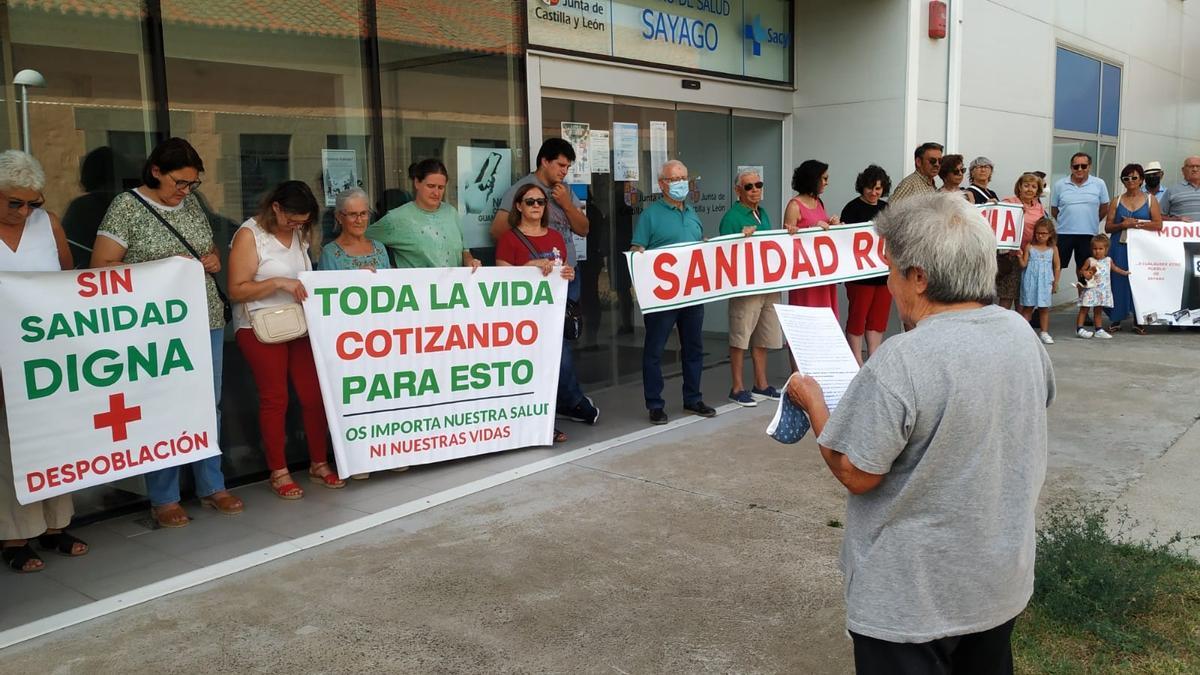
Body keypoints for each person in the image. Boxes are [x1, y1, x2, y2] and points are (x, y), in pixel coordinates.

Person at [784, 192, 1055, 674]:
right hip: (996, 581)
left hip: (912, 598)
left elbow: (856, 471)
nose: (887, 285)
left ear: (920, 277)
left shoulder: (904, 358)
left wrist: (815, 405)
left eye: (890, 271)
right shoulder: (1019, 333)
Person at [92, 137, 244, 528]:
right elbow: (101, 267)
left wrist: (210, 259)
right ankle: (164, 495)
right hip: (156, 327)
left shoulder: (191, 203)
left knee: (208, 402)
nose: (185, 191)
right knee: (163, 406)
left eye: (192, 184)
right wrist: (161, 269)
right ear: (155, 171)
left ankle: (212, 485)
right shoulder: (127, 207)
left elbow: (204, 245)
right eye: (179, 182)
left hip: (204, 317)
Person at [0, 150, 89, 572]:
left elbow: (67, 281)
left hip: (48, 354)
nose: (24, 211)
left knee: (55, 437)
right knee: (10, 445)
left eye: (32, 202)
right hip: (3, 355)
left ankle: (56, 525)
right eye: (13, 202)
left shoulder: (47, 224)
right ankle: (14, 535)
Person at [228, 180, 345, 499]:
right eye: (291, 219)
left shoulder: (300, 233)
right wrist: (280, 283)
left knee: (312, 395)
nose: (296, 226)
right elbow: (236, 289)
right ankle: (278, 471)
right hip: (260, 326)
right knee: (275, 398)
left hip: (298, 324)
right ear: (275, 207)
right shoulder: (250, 235)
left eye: (303, 221)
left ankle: (318, 463)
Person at [630, 160, 716, 425]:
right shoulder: (650, 215)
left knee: (693, 347)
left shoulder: (692, 212)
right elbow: (637, 251)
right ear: (662, 184)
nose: (680, 183)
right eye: (674, 179)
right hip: (662, 296)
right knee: (655, 350)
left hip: (691, 293)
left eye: (683, 178)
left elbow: (698, 245)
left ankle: (693, 398)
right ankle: (655, 404)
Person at [494, 183, 581, 442]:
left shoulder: (555, 236)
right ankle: (522, 426)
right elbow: (500, 277)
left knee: (550, 371)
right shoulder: (509, 239)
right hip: (520, 321)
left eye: (541, 202)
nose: (536, 206)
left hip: (549, 319)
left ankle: (546, 424)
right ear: (518, 206)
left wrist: (568, 272)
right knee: (523, 373)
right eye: (530, 201)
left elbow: (562, 268)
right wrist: (529, 266)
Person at [491, 138, 589, 305]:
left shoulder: (565, 189)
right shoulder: (523, 189)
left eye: (567, 167)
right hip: (534, 274)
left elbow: (584, 229)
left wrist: (566, 204)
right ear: (545, 161)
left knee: (568, 325)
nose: (565, 171)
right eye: (560, 165)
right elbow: (497, 231)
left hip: (567, 270)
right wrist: (527, 258)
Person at [719, 169, 782, 405]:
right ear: (738, 191)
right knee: (740, 336)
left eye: (758, 184)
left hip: (766, 283)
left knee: (762, 336)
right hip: (745, 286)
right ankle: (737, 388)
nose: (755, 189)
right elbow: (723, 251)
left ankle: (761, 384)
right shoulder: (732, 217)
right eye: (748, 186)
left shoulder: (762, 213)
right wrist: (739, 237)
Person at [366, 159, 480, 270]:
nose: (436, 193)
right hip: (418, 288)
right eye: (431, 186)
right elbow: (359, 239)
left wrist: (470, 262)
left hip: (454, 287)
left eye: (441, 187)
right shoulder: (397, 218)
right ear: (417, 183)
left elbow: (464, 251)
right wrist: (380, 267)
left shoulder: (451, 212)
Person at [841, 165, 893, 365]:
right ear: (862, 187)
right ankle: (856, 360)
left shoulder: (885, 208)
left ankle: (873, 357)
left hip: (882, 273)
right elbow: (845, 240)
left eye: (878, 189)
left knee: (877, 319)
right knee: (858, 317)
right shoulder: (851, 208)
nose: (874, 193)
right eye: (870, 188)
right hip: (859, 275)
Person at [1104, 164, 1162, 334]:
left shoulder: (1151, 199)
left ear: (1141, 180)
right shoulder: (1117, 200)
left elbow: (1158, 223)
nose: (1130, 181)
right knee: (1117, 280)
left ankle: (1140, 318)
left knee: (1140, 281)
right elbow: (1108, 227)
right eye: (1126, 178)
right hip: (1119, 245)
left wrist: (1137, 224)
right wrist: (1122, 224)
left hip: (1142, 248)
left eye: (1134, 178)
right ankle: (1116, 318)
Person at [784, 160, 841, 320]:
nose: (826, 182)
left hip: (822, 271)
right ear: (812, 179)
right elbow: (786, 242)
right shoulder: (794, 205)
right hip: (805, 274)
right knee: (807, 315)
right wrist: (811, 230)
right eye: (823, 178)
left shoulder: (818, 202)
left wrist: (833, 225)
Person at [1051, 152, 1109, 281]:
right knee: (1055, 267)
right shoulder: (1060, 185)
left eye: (1083, 166)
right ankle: (1047, 299)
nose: (1080, 169)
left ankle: (1084, 300)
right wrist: (1066, 220)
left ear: (1089, 167)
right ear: (1071, 167)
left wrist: (1092, 220)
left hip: (1088, 234)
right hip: (1064, 233)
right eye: (1076, 166)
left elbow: (1105, 207)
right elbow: (1054, 209)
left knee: (1085, 271)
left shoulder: (1099, 184)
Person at [1001, 173, 1047, 310]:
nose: (1029, 189)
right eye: (1026, 185)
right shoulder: (1009, 202)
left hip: (1030, 257)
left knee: (1024, 296)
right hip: (1011, 255)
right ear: (1019, 187)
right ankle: (1002, 329)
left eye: (1033, 187)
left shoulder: (1039, 207)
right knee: (1007, 295)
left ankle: (1020, 328)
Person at [319, 188, 389, 272]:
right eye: (352, 214)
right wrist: (356, 277)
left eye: (363, 213)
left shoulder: (379, 248)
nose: (359, 220)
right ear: (339, 217)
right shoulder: (330, 253)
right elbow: (327, 284)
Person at [1018, 218, 1062, 344]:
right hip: (1030, 281)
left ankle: (1044, 332)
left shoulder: (1053, 248)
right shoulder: (1029, 247)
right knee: (1028, 307)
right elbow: (1023, 265)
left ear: (1050, 234)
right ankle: (1025, 333)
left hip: (1045, 282)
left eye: (1044, 233)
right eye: (1038, 233)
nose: (1040, 236)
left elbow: (1057, 266)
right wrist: (1020, 256)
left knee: (1044, 308)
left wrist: (1056, 282)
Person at [1075, 234, 1127, 339]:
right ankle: (1079, 328)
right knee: (1084, 308)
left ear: (1106, 249)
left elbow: (1115, 268)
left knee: (1098, 310)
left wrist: (1124, 272)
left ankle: (1098, 329)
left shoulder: (1108, 260)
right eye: (1095, 249)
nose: (1097, 251)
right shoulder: (1090, 260)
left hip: (1102, 290)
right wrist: (1085, 273)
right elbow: (1082, 270)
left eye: (1100, 249)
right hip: (1091, 290)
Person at [1162, 156, 1200, 221]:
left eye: (1198, 166)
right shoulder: (1172, 191)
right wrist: (1176, 219)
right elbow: (1158, 216)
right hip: (1182, 230)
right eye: (1191, 166)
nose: (1195, 169)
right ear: (1183, 170)